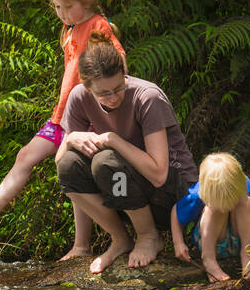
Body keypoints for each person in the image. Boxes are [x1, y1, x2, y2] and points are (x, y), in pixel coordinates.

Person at [0, 0, 125, 261]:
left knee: (72, 172)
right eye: (57, 7)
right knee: (25, 156)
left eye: (68, 6)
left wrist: (105, 102)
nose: (62, 13)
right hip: (62, 117)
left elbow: (119, 60)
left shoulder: (98, 26)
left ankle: (86, 243)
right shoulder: (69, 32)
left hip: (88, 117)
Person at [54, 31, 198, 273]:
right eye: (104, 93)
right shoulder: (79, 98)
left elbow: (159, 174)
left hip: (173, 197)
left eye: (118, 88)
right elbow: (60, 164)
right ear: (87, 88)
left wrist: (113, 139)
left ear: (124, 74)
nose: (113, 98)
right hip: (129, 195)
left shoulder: (147, 98)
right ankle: (120, 239)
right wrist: (72, 139)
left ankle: (148, 236)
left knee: (105, 161)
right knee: (69, 165)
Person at [172, 152, 250, 283]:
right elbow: (175, 213)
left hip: (239, 240)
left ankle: (247, 256)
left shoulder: (249, 187)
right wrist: (178, 243)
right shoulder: (199, 192)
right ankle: (209, 259)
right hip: (213, 240)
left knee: (246, 203)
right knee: (213, 209)